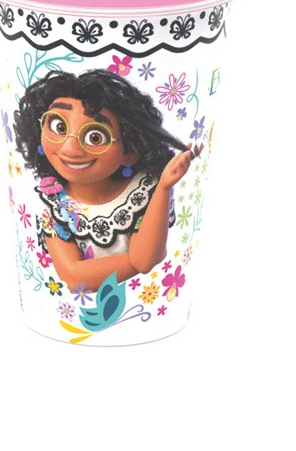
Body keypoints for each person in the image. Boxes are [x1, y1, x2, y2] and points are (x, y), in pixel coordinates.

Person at [14, 69, 201, 291]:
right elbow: (74, 276)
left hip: (151, 300)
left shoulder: (145, 189)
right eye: (59, 127)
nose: (69, 148)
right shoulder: (52, 203)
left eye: (95, 137)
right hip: (67, 309)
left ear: (130, 150)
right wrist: (139, 259)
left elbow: (145, 261)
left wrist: (163, 187)